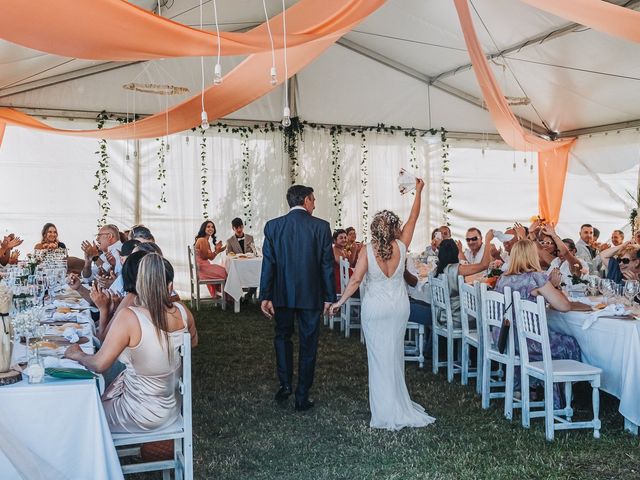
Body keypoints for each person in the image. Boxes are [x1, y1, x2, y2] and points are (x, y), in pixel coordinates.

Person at [329, 178, 434, 430]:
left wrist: (340, 302)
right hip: (398, 308)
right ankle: (398, 404)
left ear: (375, 229)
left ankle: (386, 411)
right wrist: (418, 191)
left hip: (375, 310)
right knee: (394, 355)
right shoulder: (402, 245)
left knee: (378, 359)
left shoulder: (366, 250)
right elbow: (414, 216)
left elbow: (355, 280)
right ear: (394, 229)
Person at [65, 254, 198, 433]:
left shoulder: (130, 317)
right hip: (172, 408)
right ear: (170, 286)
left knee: (79, 414)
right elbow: (193, 343)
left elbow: (98, 364)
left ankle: (99, 458)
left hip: (138, 413)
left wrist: (77, 354)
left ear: (139, 285)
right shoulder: (183, 312)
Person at [259, 185, 335, 411]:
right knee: (308, 344)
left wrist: (265, 295)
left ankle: (285, 385)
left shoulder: (273, 226)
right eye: (313, 199)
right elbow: (326, 265)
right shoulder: (321, 227)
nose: (315, 204)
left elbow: (268, 264)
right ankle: (302, 394)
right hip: (311, 295)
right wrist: (329, 296)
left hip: (281, 294)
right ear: (304, 199)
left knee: (282, 337)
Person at [494, 240, 581, 407]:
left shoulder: (502, 279)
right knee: (570, 343)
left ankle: (531, 387)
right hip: (527, 342)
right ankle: (560, 393)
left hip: (507, 340)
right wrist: (555, 286)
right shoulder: (536, 278)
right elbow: (564, 306)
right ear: (532, 256)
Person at [434, 233, 494, 328]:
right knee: (490, 314)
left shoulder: (437, 270)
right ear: (456, 253)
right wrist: (487, 242)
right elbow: (484, 265)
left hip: (442, 316)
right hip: (457, 318)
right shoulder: (455, 269)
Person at [194, 220, 227, 297]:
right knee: (225, 271)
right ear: (204, 228)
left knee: (223, 269)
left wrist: (218, 250)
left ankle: (222, 296)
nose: (211, 228)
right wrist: (217, 250)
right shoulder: (202, 240)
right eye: (208, 226)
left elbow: (211, 258)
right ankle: (226, 297)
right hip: (203, 269)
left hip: (204, 267)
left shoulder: (205, 241)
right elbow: (205, 256)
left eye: (212, 227)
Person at [332, 229, 358, 293]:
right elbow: (346, 265)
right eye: (341, 238)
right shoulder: (334, 250)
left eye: (345, 237)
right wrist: (354, 250)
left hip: (346, 278)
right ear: (335, 240)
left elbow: (351, 263)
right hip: (340, 281)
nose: (344, 240)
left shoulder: (343, 250)